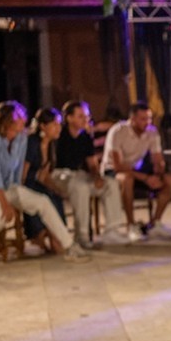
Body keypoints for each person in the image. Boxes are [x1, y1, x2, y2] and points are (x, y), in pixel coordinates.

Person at [0, 101, 90, 265]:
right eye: (18, 116)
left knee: (43, 202)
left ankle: (69, 246)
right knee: (1, 214)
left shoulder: (20, 140)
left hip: (7, 188)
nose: (23, 118)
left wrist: (20, 194)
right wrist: (5, 203)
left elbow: (16, 173)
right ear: (7, 119)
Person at [56, 101, 130, 247]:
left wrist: (97, 176)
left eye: (87, 116)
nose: (85, 120)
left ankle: (112, 230)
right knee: (81, 187)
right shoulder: (59, 134)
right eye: (80, 116)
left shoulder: (85, 136)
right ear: (69, 118)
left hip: (79, 175)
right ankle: (82, 235)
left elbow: (92, 162)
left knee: (111, 183)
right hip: (61, 175)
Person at [103, 100, 171, 238]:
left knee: (170, 180)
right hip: (113, 170)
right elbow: (118, 165)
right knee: (127, 180)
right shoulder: (118, 132)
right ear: (132, 119)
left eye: (149, 118)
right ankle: (131, 225)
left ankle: (156, 222)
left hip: (136, 170)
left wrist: (159, 170)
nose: (147, 122)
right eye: (143, 119)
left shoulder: (152, 132)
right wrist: (145, 178)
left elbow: (157, 157)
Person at [20, 107, 69, 254]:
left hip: (38, 182)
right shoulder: (32, 142)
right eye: (54, 124)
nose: (58, 128)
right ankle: (41, 235)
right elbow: (23, 173)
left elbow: (45, 175)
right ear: (43, 126)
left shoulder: (51, 144)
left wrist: (56, 188)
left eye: (59, 124)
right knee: (43, 196)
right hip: (26, 182)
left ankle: (56, 236)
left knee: (55, 195)